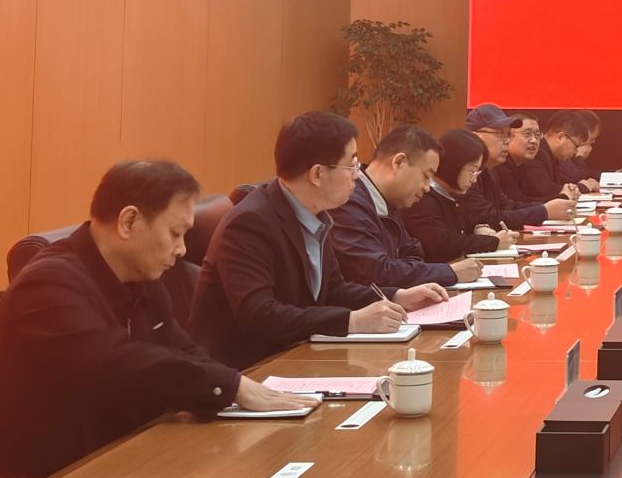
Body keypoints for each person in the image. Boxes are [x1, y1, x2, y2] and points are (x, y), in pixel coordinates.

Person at [0, 161, 312, 478]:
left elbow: (183, 349)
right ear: (129, 222)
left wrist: (239, 389)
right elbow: (117, 364)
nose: (181, 249)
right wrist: (229, 386)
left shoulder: (140, 279)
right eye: (174, 233)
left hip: (110, 462)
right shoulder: (46, 285)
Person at [191, 113, 420, 369]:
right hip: (252, 370)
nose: (357, 175)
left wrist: (398, 296)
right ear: (317, 174)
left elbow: (334, 291)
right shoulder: (250, 223)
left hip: (298, 355)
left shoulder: (315, 214)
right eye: (352, 166)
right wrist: (351, 321)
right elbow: (260, 315)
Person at [331, 125, 479, 292]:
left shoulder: (389, 202)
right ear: (399, 163)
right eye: (426, 176)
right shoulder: (348, 203)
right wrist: (448, 272)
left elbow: (413, 253)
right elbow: (374, 273)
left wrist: (403, 271)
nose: (427, 188)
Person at [404, 128, 509, 262]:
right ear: (454, 165)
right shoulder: (421, 197)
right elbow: (442, 244)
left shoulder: (451, 194)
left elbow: (465, 222)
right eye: (472, 171)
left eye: (477, 172)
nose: (474, 180)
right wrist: (494, 242)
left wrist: (479, 228)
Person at [462, 104, 566, 228]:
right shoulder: (462, 171)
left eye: (508, 134)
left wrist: (547, 208)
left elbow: (507, 205)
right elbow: (487, 217)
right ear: (475, 137)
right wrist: (543, 212)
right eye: (500, 134)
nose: (507, 141)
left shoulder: (485, 170)